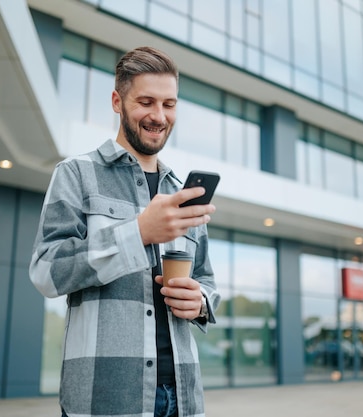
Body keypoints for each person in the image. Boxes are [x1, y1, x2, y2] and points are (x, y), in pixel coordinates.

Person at [29, 46, 220, 417]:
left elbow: (206, 280)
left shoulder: (181, 192)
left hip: (183, 399)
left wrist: (200, 303)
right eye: (146, 101)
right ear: (117, 101)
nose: (159, 116)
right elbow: (46, 272)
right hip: (106, 399)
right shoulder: (75, 174)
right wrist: (138, 233)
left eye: (169, 104)